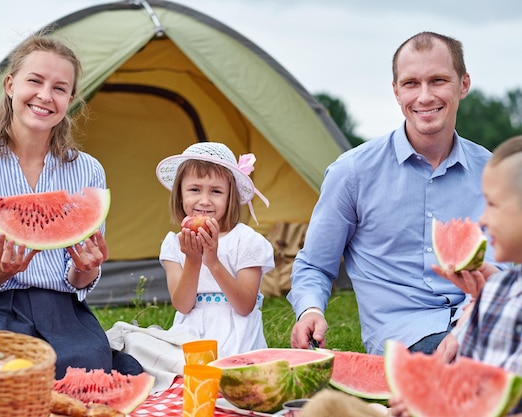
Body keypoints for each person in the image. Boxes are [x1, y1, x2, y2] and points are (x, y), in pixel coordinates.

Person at [288, 31, 504, 356]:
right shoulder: (352, 173)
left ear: (463, 84)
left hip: (485, 319)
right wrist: (310, 310)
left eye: (438, 80)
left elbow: (503, 267)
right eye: (411, 83)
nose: (425, 96)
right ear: (396, 91)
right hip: (406, 333)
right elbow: (315, 265)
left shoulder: (492, 173)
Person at [0, 32, 143, 379]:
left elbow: (79, 279)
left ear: (70, 98)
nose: (44, 96)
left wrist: (87, 268)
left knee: (87, 366)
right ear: (10, 85)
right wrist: (1, 269)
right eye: (34, 81)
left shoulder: (88, 170)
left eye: (59, 88)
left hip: (61, 308)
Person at [390, 136, 522, 416]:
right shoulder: (496, 291)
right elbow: (465, 375)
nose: (482, 220)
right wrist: (426, 395)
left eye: (493, 205)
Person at [155, 142, 275, 357]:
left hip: (237, 335)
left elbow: (245, 306)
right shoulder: (174, 244)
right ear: (180, 194)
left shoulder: (246, 240)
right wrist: (193, 260)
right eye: (194, 189)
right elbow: (182, 305)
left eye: (216, 191)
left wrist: (213, 262)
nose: (204, 200)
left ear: (230, 197)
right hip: (190, 333)